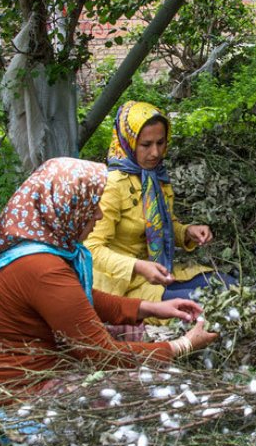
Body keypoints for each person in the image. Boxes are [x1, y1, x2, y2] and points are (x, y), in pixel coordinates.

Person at [0, 158, 218, 400]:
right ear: (66, 209)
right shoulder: (40, 268)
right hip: (26, 390)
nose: (99, 215)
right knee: (155, 389)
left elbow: (81, 300)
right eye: (91, 207)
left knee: (132, 332)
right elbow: (101, 354)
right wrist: (180, 346)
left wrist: (151, 308)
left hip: (46, 360)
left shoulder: (34, 245)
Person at [86, 101, 235, 302]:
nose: (155, 153)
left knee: (230, 286)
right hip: (123, 285)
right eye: (146, 145)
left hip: (160, 273)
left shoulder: (155, 178)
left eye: (160, 142)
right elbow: (91, 249)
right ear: (128, 142)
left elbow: (161, 224)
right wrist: (137, 266)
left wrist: (187, 232)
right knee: (203, 303)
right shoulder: (112, 185)